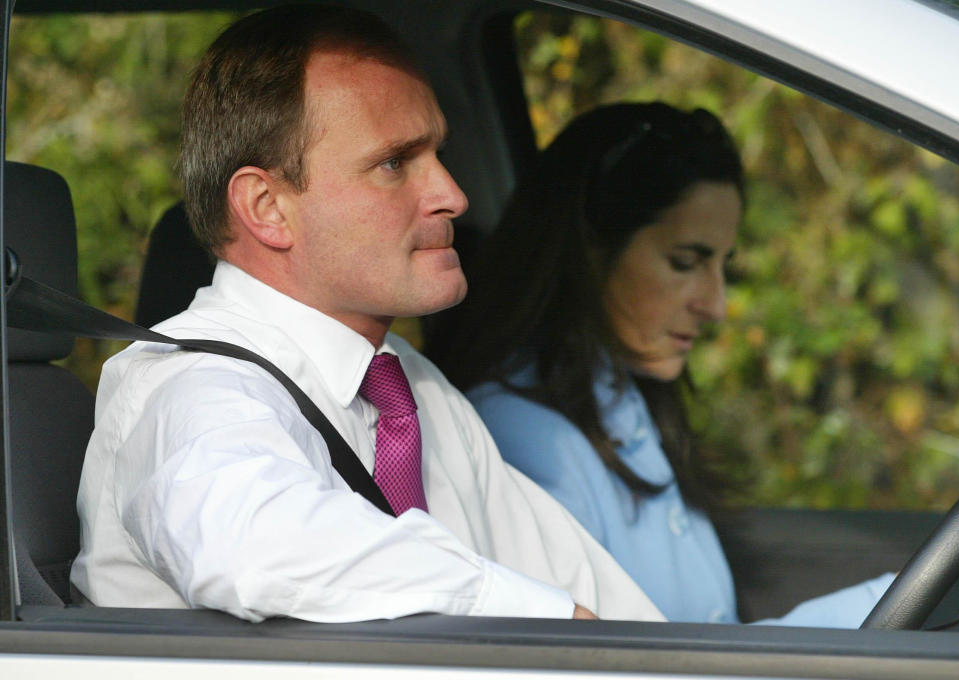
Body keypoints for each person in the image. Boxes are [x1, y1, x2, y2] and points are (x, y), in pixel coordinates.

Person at [69, 4, 667, 624]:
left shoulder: (412, 388)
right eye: (394, 163)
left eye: (438, 153)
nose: (452, 196)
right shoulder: (189, 386)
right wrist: (541, 616)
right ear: (268, 207)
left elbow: (586, 589)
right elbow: (259, 545)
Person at [435, 102, 893, 627]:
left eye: (722, 266)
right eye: (685, 262)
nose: (716, 305)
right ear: (590, 248)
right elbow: (604, 663)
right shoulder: (529, 440)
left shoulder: (621, 399)